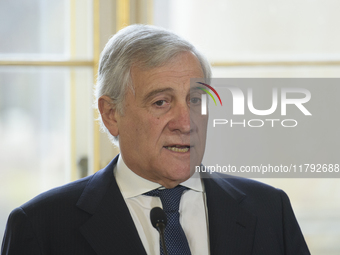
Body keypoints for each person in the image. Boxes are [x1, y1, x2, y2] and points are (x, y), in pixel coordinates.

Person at [1, 24, 310, 255]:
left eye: (195, 100)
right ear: (111, 114)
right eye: (161, 102)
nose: (186, 122)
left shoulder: (270, 210)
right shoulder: (41, 228)